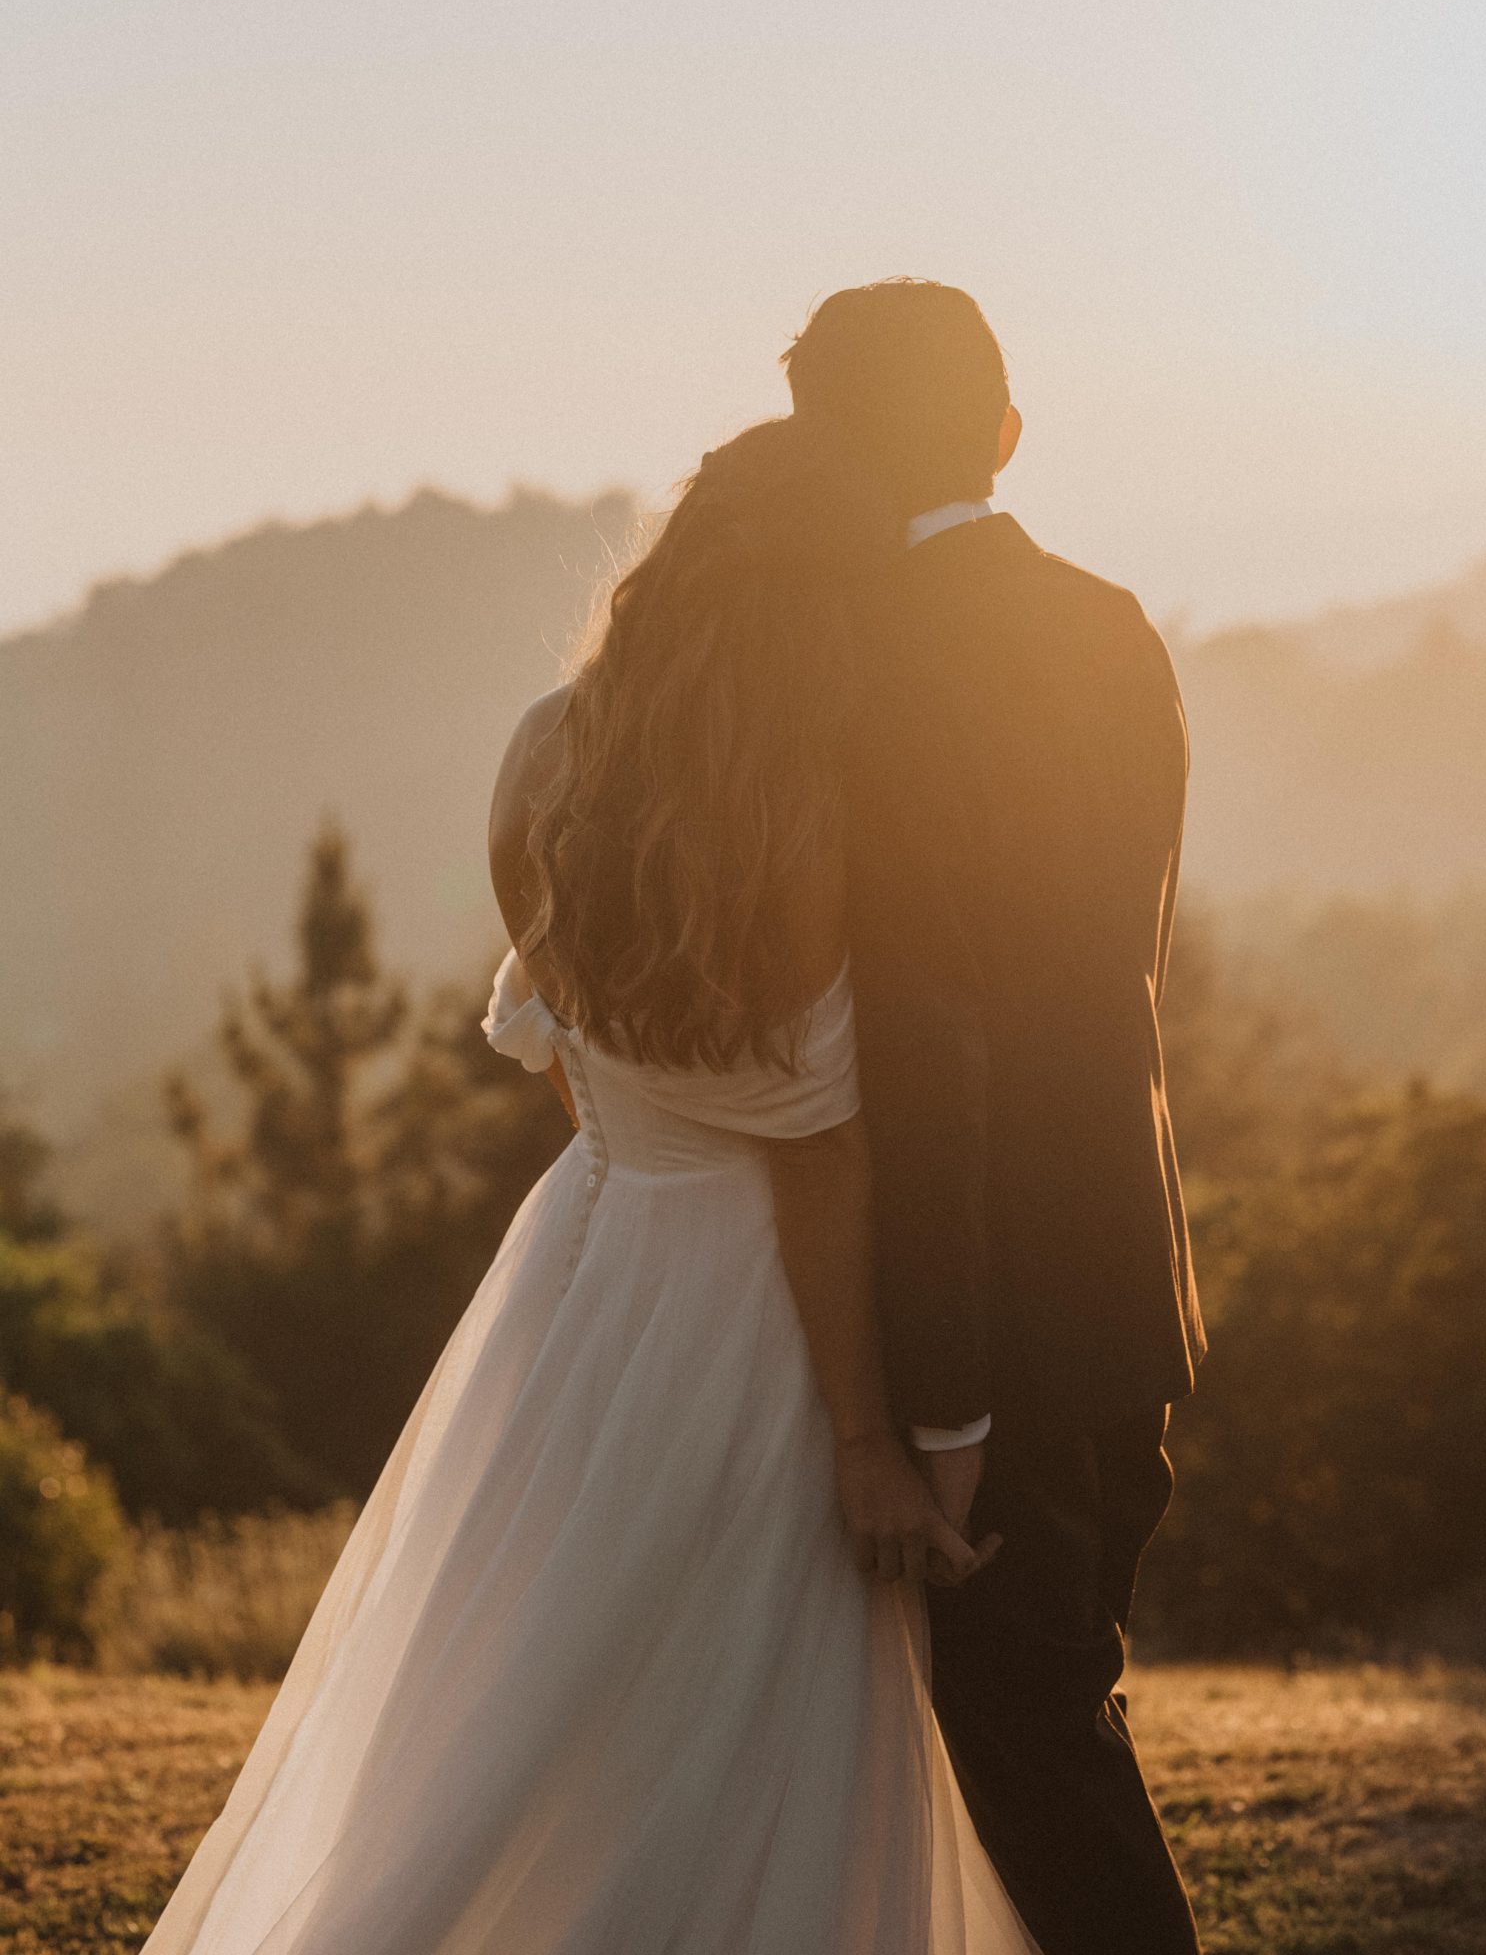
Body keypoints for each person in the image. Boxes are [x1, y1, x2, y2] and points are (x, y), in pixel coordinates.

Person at [141, 408, 1036, 1955]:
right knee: (743, 1703)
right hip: (758, 1312)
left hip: (583, 1259)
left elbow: (558, 1039)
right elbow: (819, 1156)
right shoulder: (803, 811)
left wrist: (640, 1149)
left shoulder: (546, 749)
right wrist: (863, 1438)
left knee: (541, 1681)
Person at [785, 280, 1204, 1954]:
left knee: (1033, 1755)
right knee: (1066, 1717)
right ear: (1007, 434)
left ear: (818, 454)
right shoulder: (1116, 624)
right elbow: (1118, 974)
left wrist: (941, 1402)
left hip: (990, 1335)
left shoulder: (858, 667)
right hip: (1121, 1283)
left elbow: (936, 1039)